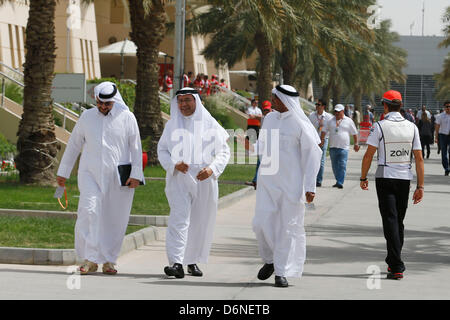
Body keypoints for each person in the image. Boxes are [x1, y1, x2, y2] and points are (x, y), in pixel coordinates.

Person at [56, 82, 144, 275]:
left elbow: (136, 148)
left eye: (108, 104)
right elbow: (73, 146)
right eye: (100, 103)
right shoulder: (87, 117)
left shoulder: (127, 118)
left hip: (118, 178)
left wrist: (136, 175)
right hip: (90, 175)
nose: (104, 107)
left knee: (114, 218)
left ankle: (110, 260)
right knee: (89, 211)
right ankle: (90, 259)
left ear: (115, 101)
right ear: (95, 100)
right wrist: (63, 173)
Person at [252, 85, 322, 288]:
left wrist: (310, 186)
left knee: (286, 228)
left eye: (276, 98)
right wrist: (249, 148)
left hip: (292, 185)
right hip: (267, 182)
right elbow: (262, 148)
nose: (272, 101)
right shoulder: (270, 119)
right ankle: (270, 260)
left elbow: (313, 155)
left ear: (286, 100)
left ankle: (281, 271)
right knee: (260, 223)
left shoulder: (300, 123)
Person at [157, 87, 230, 278]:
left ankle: (192, 261)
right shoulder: (172, 125)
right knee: (179, 219)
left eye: (187, 100)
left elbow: (224, 151)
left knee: (199, 221)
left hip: (203, 179)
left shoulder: (210, 124)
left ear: (196, 101)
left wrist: (212, 169)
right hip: (179, 179)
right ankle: (176, 263)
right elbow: (162, 150)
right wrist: (174, 164)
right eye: (180, 101)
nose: (183, 104)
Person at [360, 90, 424, 280]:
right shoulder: (412, 127)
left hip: (385, 177)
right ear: (401, 106)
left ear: (385, 105)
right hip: (405, 179)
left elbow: (369, 154)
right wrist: (420, 186)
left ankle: (396, 264)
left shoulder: (379, 126)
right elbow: (419, 158)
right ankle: (393, 261)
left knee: (390, 220)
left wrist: (363, 177)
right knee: (398, 221)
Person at [321, 104, 360, 188]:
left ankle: (340, 182)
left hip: (344, 147)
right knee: (335, 166)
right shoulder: (330, 121)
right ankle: (338, 179)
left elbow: (354, 133)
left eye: (338, 112)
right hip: (333, 147)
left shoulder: (348, 121)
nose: (337, 113)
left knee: (342, 164)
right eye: (335, 111)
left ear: (343, 111)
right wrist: (322, 140)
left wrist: (356, 144)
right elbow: (324, 130)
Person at [245, 100, 273, 188]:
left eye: (267, 110)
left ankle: (258, 181)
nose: (266, 112)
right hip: (264, 142)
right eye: (265, 110)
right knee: (260, 162)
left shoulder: (274, 118)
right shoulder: (264, 118)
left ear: (271, 109)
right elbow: (254, 116)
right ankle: (256, 181)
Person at [308, 98, 333, 187]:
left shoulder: (329, 117)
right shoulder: (311, 116)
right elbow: (308, 128)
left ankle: (319, 180)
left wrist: (324, 138)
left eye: (319, 105)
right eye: (316, 104)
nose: (317, 106)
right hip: (314, 140)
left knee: (321, 160)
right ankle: (312, 178)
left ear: (323, 106)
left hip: (324, 139)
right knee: (313, 160)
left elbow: (331, 128)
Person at [434, 101, 450, 176]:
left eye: (449, 106)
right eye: (447, 107)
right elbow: (437, 127)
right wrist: (436, 137)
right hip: (442, 135)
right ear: (444, 108)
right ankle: (446, 168)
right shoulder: (440, 116)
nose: (448, 108)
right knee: (444, 153)